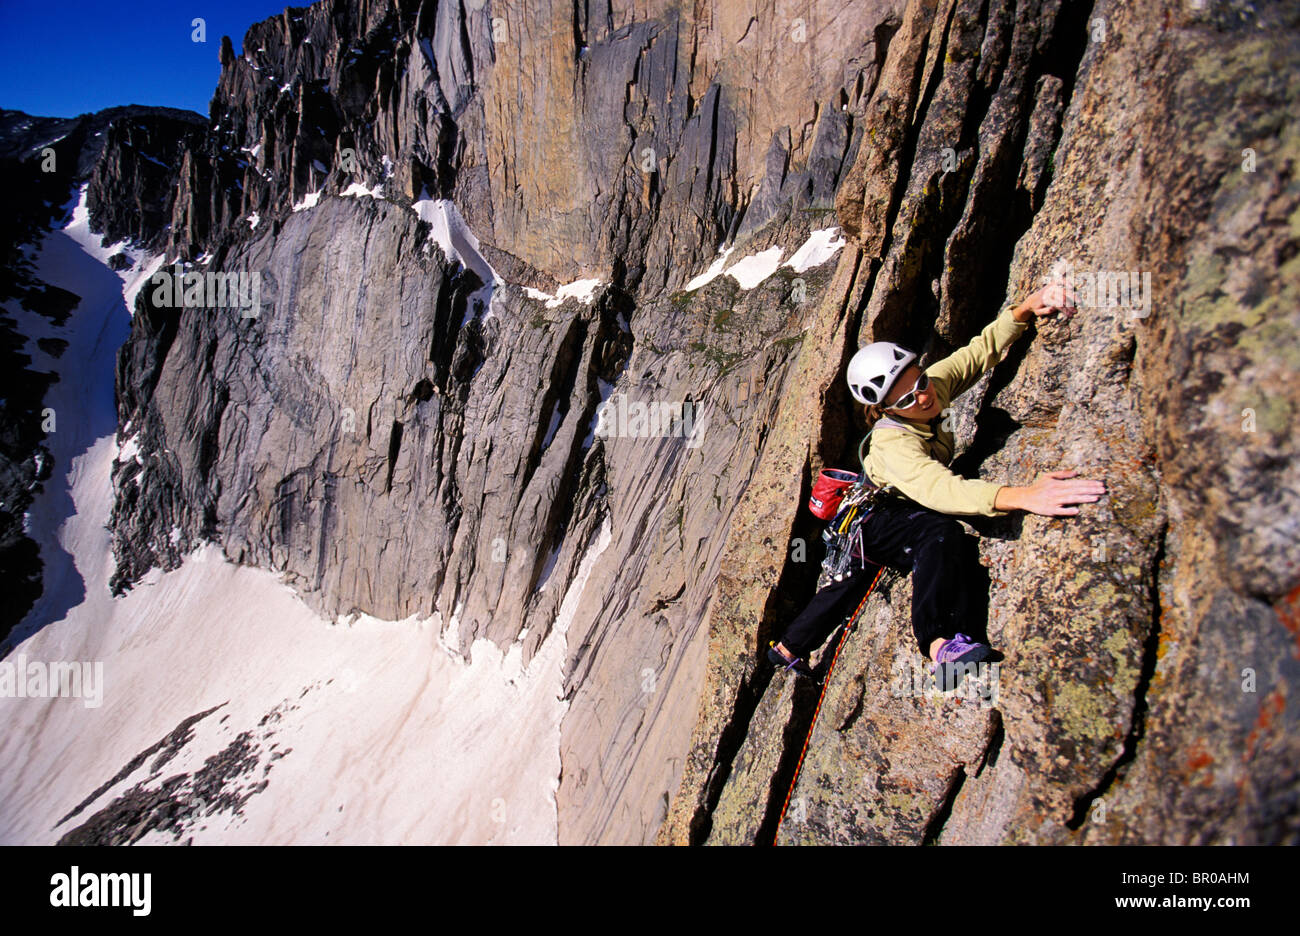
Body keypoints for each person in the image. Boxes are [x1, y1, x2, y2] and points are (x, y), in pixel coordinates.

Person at [768, 281, 1107, 690]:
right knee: (938, 534)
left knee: (851, 581)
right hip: (877, 514)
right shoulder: (894, 441)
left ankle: (787, 649)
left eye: (920, 384)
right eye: (907, 399)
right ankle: (940, 644)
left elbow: (974, 356)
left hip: (870, 513)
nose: (922, 398)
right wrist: (1026, 497)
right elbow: (941, 492)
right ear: (885, 409)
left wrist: (1024, 310)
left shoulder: (927, 385)